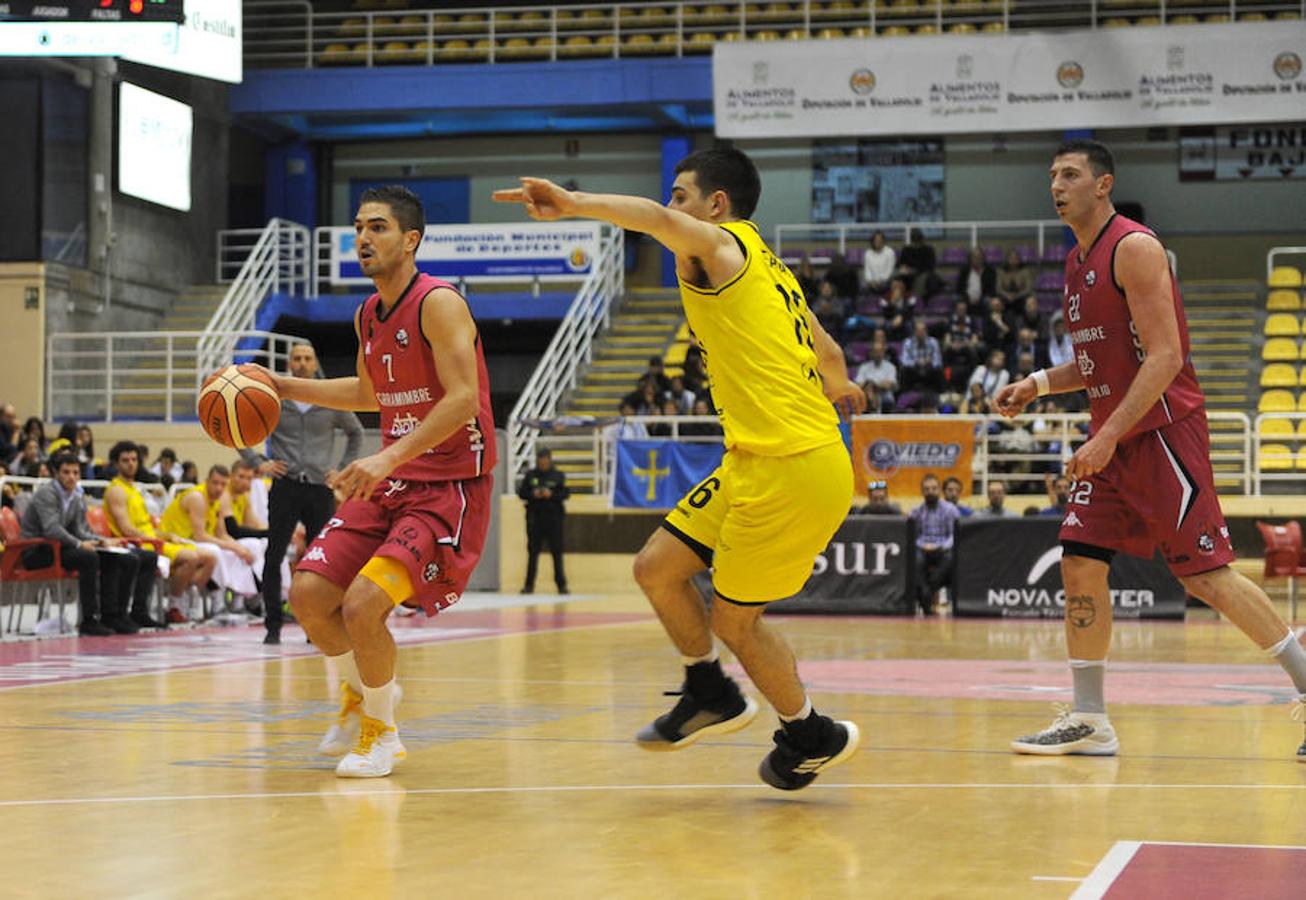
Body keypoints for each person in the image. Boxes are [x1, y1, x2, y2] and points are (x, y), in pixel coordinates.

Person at [495, 147, 866, 790]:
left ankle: (811, 734)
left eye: (680, 196)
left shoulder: (719, 246)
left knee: (735, 621)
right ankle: (709, 692)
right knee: (657, 569)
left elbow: (648, 219)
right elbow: (828, 350)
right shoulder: (770, 269)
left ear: (715, 205)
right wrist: (842, 388)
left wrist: (576, 204)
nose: (671, 209)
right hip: (759, 458)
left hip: (795, 466)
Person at [995, 138, 1306, 759]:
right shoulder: (1076, 262)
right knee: (1079, 560)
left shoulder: (1133, 248)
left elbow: (1165, 357)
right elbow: (1100, 362)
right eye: (1053, 175)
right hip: (1112, 437)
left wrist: (1107, 436)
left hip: (1161, 433)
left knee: (1207, 578)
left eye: (1071, 175)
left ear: (1103, 184)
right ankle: (1089, 718)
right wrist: (1038, 383)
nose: (1056, 185)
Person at [260, 184, 497, 778]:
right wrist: (286, 386)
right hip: (397, 480)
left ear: (411, 239)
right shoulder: (368, 312)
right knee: (311, 595)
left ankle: (382, 734)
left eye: (379, 228)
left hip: (450, 485)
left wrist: (386, 458)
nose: (364, 238)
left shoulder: (439, 302)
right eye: (359, 227)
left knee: (365, 604)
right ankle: (356, 696)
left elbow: (464, 398)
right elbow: (369, 393)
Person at [241, 341, 364, 645]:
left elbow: (356, 432)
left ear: (314, 363)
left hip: (320, 488)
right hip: (286, 486)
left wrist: (343, 470)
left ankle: (316, 626)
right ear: (289, 363)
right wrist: (259, 463)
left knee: (321, 559)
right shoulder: (273, 398)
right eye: (296, 358)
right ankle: (272, 625)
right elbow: (240, 428)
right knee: (274, 555)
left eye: (307, 358)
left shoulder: (330, 400)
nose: (301, 363)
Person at [20, 451, 138, 635]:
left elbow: (78, 530)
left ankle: (112, 615)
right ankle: (88, 620)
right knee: (88, 557)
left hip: (59, 547)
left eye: (75, 473)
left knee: (110, 557)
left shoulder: (75, 496)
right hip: (36, 550)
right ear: (56, 473)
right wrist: (79, 544)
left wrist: (100, 541)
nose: (71, 477)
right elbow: (51, 529)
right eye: (66, 472)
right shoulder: (46, 494)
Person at [103, 440, 212, 625]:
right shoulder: (117, 490)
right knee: (191, 558)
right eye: (125, 460)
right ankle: (173, 606)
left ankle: (185, 601)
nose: (131, 464)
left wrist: (166, 536)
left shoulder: (135, 488)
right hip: (136, 542)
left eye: (134, 459)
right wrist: (153, 538)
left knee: (208, 557)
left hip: (149, 538)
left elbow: (145, 525)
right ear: (116, 464)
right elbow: (126, 528)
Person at [517, 447, 569, 595]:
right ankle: (529, 586)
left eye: (545, 459)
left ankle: (561, 586)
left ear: (549, 459)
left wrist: (551, 494)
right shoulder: (531, 475)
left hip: (554, 520)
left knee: (557, 553)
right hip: (535, 519)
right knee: (533, 553)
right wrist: (534, 494)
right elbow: (522, 493)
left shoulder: (558, 475)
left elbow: (565, 493)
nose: (543, 462)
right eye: (541, 460)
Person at [908, 473, 960, 615]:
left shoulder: (950, 509)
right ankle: (926, 595)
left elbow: (954, 534)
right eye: (927, 489)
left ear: (939, 490)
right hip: (923, 547)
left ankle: (927, 592)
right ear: (922, 491)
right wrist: (922, 545)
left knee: (950, 558)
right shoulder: (916, 511)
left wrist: (942, 547)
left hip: (943, 547)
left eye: (934, 488)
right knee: (915, 559)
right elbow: (913, 535)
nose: (930, 492)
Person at [853, 340, 897, 412]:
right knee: (867, 391)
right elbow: (858, 384)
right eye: (875, 351)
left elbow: (889, 385)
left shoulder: (890, 367)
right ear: (871, 353)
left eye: (880, 351)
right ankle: (872, 405)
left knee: (871, 388)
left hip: (885, 396)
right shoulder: (864, 367)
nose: (878, 354)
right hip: (867, 395)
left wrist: (873, 385)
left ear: (883, 352)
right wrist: (870, 385)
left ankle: (873, 406)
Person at [955, 246, 996, 312]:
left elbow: (991, 290)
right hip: (967, 298)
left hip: (983, 298)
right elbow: (959, 288)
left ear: (983, 258)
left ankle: (988, 321)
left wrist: (980, 299)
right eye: (974, 257)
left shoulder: (990, 271)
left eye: (979, 257)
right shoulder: (964, 271)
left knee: (991, 301)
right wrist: (968, 298)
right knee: (957, 300)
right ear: (970, 258)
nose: (977, 259)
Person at [861, 230, 896, 295]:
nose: (877, 241)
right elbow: (867, 270)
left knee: (888, 285)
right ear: (872, 241)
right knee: (862, 285)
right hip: (871, 282)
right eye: (875, 239)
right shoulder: (868, 253)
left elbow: (890, 270)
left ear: (883, 241)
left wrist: (881, 281)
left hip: (885, 281)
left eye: (879, 239)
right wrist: (871, 281)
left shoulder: (890, 252)